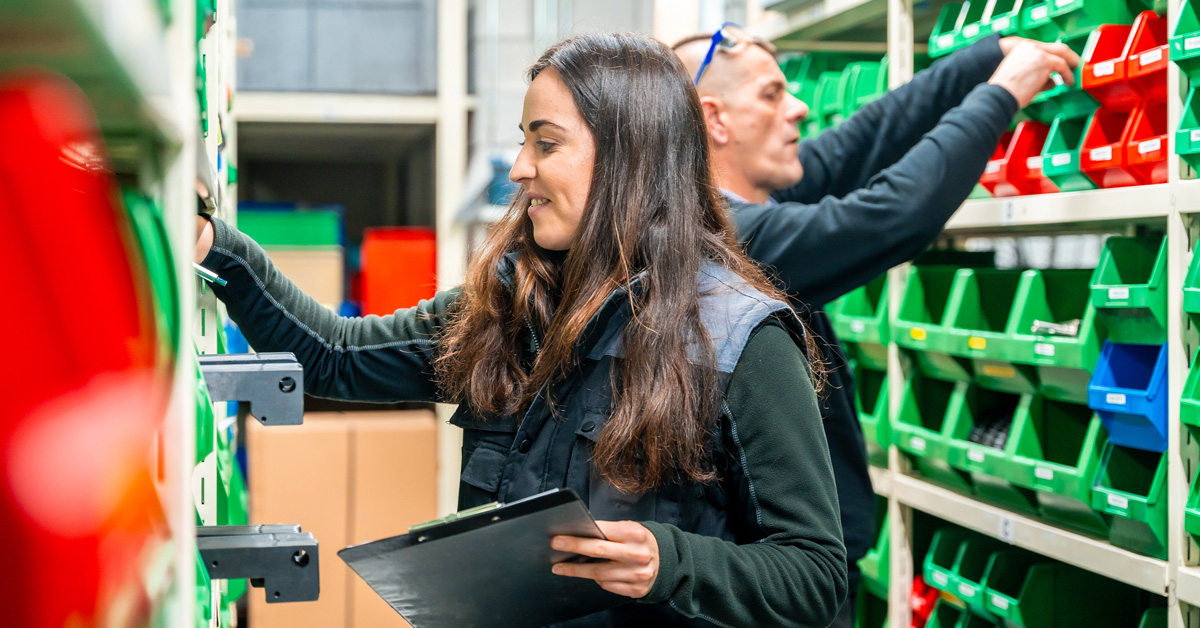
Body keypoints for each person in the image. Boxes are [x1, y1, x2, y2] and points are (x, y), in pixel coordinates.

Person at [195, 32, 847, 627]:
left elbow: (815, 575)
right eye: (523, 140)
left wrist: (669, 563)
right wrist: (217, 246)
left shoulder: (740, 340)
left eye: (546, 142)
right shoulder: (507, 310)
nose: (517, 167)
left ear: (629, 156)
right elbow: (335, 357)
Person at [672, 27, 1080, 627]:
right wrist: (1002, 92)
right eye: (771, 94)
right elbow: (894, 215)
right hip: (776, 582)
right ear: (717, 120)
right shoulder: (732, 241)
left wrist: (985, 53)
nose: (800, 107)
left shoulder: (724, 214)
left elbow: (860, 142)